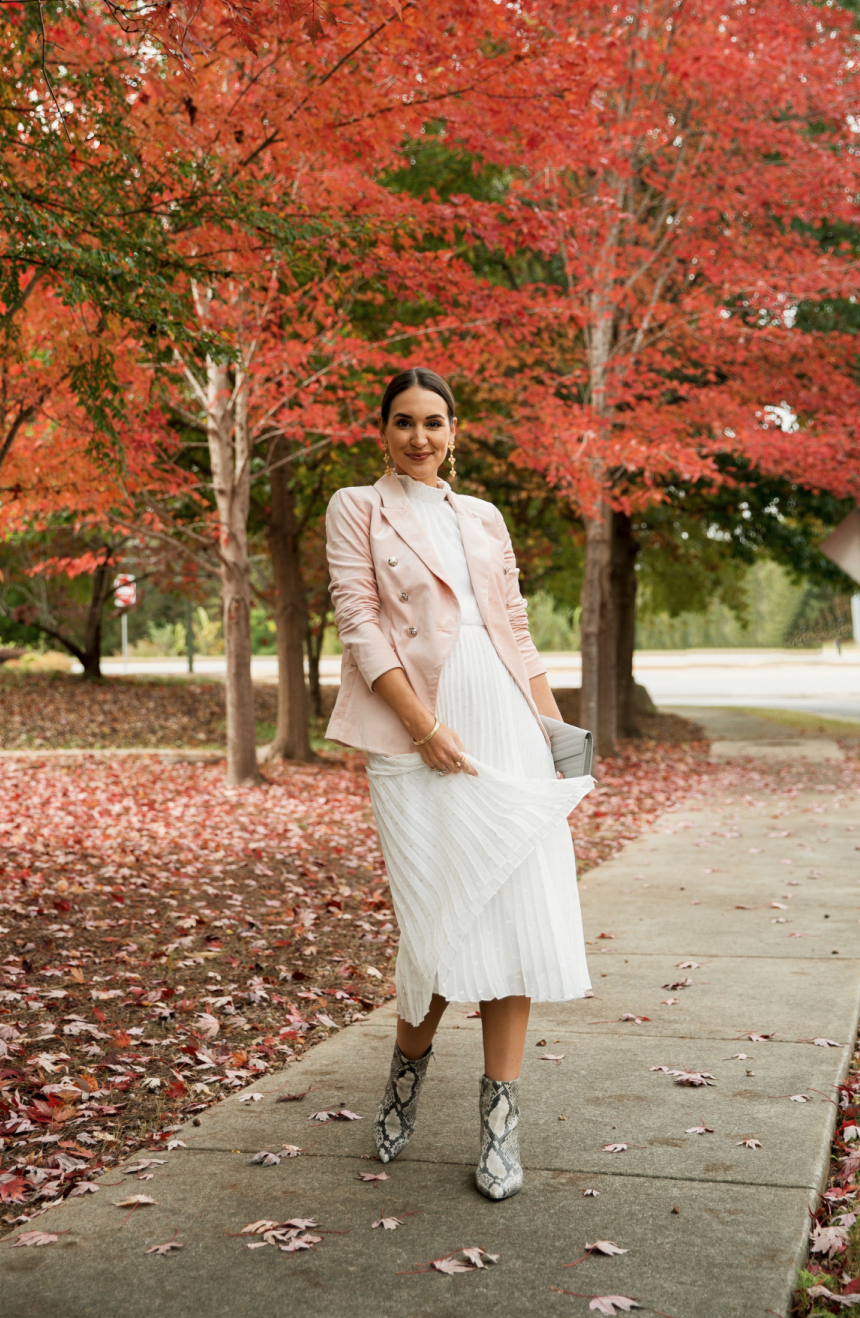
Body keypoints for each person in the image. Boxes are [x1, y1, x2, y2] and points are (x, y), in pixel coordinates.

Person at [324, 367, 594, 1201]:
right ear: (383, 430)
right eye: (403, 422)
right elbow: (359, 622)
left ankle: (500, 1127)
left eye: (433, 422)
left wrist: (556, 734)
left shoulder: (483, 516)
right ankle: (406, 1075)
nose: (419, 437)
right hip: (416, 726)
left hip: (507, 717)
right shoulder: (355, 507)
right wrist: (425, 729)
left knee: (510, 915)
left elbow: (514, 625)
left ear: (455, 429)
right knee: (438, 923)